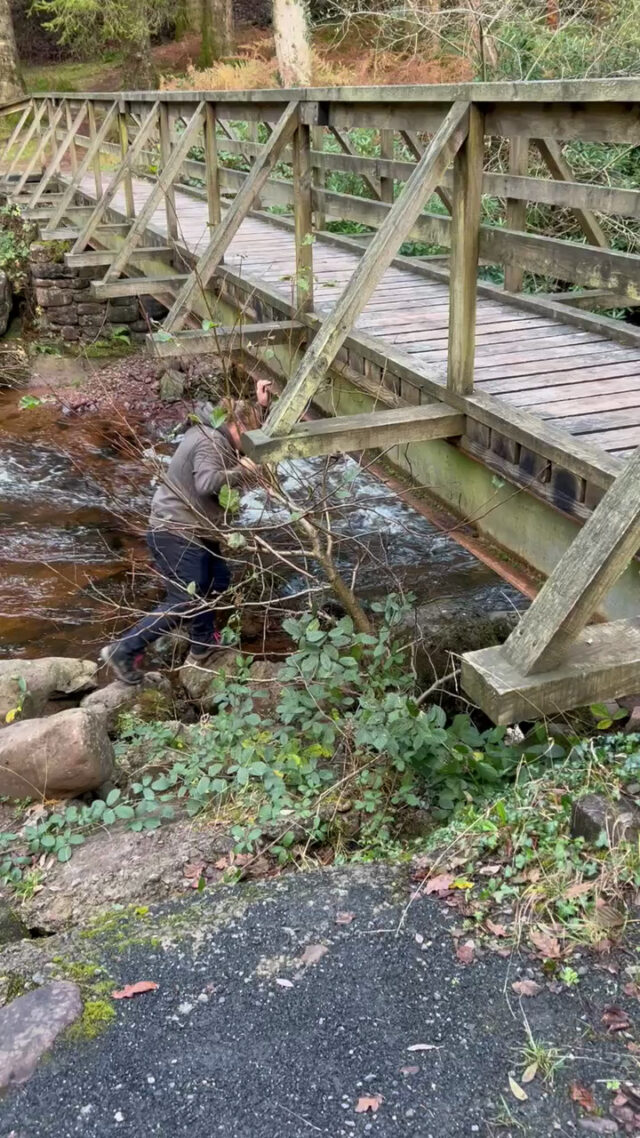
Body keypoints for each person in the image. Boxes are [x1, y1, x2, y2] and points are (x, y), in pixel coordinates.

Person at [100, 380, 272, 685]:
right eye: (249, 433)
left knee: (217, 580)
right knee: (184, 599)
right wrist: (244, 470)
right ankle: (124, 649)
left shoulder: (215, 430)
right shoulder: (211, 441)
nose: (249, 444)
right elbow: (206, 484)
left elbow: (246, 428)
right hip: (176, 529)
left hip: (192, 528)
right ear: (237, 425)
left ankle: (202, 642)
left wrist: (262, 406)